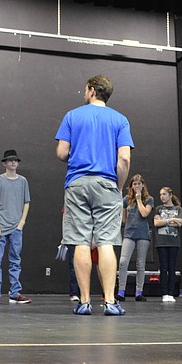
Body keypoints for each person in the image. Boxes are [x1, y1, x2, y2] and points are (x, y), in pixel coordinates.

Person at [56, 74, 133, 316]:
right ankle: (110, 302)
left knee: (80, 242)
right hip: (108, 184)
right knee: (106, 242)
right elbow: (124, 159)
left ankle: (85, 301)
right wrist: (119, 187)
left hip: (77, 183)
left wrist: (79, 153)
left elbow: (61, 153)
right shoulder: (120, 120)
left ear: (91, 90)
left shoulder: (72, 116)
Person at [0, 149, 32, 304]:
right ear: (4, 163)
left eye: (16, 160)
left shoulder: (23, 181)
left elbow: (26, 202)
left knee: (15, 260)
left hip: (16, 228)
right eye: (10, 160)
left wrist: (21, 223)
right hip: (0, 225)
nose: (13, 162)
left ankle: (15, 292)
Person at [117, 174, 154, 302]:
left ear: (142, 185)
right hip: (129, 234)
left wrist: (138, 199)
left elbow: (144, 213)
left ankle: (139, 291)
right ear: (131, 186)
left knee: (140, 264)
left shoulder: (149, 199)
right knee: (123, 262)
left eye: (138, 184)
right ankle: (121, 291)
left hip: (143, 235)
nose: (136, 186)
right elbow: (123, 218)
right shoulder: (126, 199)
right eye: (134, 184)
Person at [153, 187, 182, 302]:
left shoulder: (178, 209)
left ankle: (171, 293)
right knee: (163, 268)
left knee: (172, 268)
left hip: (173, 242)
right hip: (161, 242)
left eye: (164, 194)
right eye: (160, 194)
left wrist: (164, 221)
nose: (162, 196)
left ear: (170, 195)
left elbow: (179, 223)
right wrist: (171, 220)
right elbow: (156, 223)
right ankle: (164, 293)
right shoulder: (158, 209)